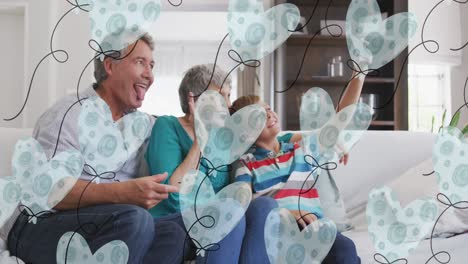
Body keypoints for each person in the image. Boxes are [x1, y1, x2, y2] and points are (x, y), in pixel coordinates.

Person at [7, 32, 190, 264]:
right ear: (110, 66)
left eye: (152, 65)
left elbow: (181, 130)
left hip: (103, 225)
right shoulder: (68, 113)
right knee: (136, 220)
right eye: (140, 62)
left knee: (179, 231)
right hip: (38, 225)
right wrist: (123, 193)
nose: (150, 75)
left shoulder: (143, 125)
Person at [145, 64, 278, 263]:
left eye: (228, 95)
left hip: (215, 223)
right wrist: (199, 140)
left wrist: (301, 140)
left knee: (265, 206)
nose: (228, 103)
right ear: (194, 99)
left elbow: (268, 140)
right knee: (231, 208)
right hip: (175, 222)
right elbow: (172, 197)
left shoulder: (224, 140)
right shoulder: (168, 126)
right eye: (220, 96)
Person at [230, 73, 366, 263]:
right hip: (277, 232)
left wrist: (359, 75)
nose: (269, 114)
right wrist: (287, 213)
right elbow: (243, 204)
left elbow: (340, 118)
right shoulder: (246, 163)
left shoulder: (302, 148)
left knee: (346, 248)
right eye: (259, 115)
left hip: (314, 228)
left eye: (268, 109)